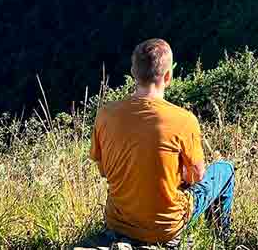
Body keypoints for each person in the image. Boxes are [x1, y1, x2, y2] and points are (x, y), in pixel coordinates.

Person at [90, 39, 234, 246]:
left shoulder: (105, 115)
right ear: (168, 76)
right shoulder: (184, 120)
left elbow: (104, 170)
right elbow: (197, 176)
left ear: (133, 72)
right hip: (167, 227)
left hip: (118, 223)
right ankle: (222, 241)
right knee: (225, 170)